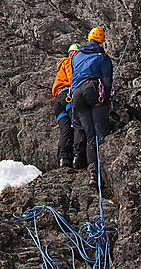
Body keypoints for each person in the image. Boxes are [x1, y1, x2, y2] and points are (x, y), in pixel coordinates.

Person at [70, 27, 113, 185]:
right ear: (101, 41)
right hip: (92, 90)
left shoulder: (76, 56)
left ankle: (93, 173)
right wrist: (106, 99)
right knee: (101, 130)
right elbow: (107, 81)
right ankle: (106, 172)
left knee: (90, 135)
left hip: (76, 96)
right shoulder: (102, 56)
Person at [52, 44, 86, 168]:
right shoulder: (73, 62)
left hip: (59, 99)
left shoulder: (61, 65)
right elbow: (74, 80)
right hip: (69, 96)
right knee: (78, 124)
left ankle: (63, 158)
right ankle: (78, 156)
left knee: (65, 129)